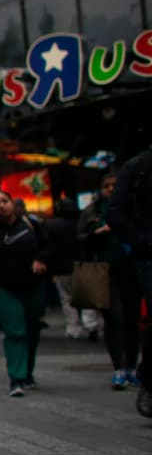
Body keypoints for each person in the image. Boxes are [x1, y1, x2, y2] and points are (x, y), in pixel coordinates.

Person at [0, 189, 50, 397]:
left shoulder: (30, 224)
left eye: (5, 201)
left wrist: (40, 258)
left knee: (32, 331)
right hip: (3, 288)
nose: (2, 205)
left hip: (32, 286)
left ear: (13, 203)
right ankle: (16, 378)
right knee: (15, 332)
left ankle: (27, 373)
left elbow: (47, 245)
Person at [78, 173, 141, 389]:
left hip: (131, 267)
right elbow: (80, 239)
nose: (111, 189)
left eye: (115, 185)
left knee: (133, 318)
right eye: (107, 186)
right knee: (115, 318)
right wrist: (97, 233)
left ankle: (132, 367)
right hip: (104, 270)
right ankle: (119, 368)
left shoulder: (132, 208)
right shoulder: (93, 211)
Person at [106, 144, 152, 416]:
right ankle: (147, 379)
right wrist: (143, 240)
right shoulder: (138, 167)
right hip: (146, 257)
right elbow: (116, 214)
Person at [45, 197, 100, 340]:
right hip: (83, 262)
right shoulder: (81, 223)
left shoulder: (52, 225)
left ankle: (73, 328)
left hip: (61, 267)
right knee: (87, 298)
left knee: (67, 299)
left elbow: (49, 247)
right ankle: (91, 325)